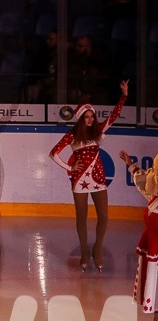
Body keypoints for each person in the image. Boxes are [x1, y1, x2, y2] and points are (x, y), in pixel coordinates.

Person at [49, 79, 128, 272]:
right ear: (81, 117)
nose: (91, 119)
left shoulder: (98, 131)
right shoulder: (72, 134)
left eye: (92, 116)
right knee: (81, 217)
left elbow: (114, 116)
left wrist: (124, 97)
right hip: (79, 180)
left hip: (99, 178)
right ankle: (84, 251)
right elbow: (53, 153)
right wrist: (70, 168)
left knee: (103, 215)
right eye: (87, 116)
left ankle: (97, 249)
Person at [120, 150, 158, 321]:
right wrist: (130, 163)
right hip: (155, 251)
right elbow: (141, 178)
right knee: (156, 288)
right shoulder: (153, 197)